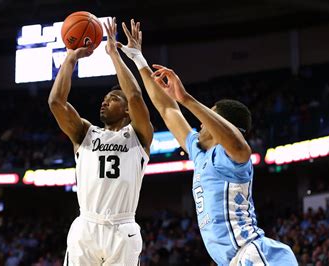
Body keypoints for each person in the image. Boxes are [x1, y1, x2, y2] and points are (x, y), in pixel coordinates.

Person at [118, 18, 298, 266]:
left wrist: (187, 99)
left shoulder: (233, 159)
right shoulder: (200, 153)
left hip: (254, 254)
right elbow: (167, 110)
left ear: (221, 124)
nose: (201, 123)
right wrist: (139, 60)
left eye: (209, 117)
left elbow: (238, 143)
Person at [48, 17, 153, 265]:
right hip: (86, 226)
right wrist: (71, 58)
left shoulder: (138, 135)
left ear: (127, 110)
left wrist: (114, 54)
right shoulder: (85, 133)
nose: (104, 101)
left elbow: (136, 96)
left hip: (123, 228)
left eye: (113, 98)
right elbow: (56, 103)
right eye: (104, 98)